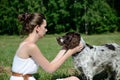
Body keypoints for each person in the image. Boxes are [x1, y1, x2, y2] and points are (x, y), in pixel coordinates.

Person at [10, 13, 83, 80]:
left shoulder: (26, 44)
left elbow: (49, 65)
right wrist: (71, 52)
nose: (46, 30)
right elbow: (50, 69)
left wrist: (64, 48)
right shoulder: (31, 46)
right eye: (45, 27)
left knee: (73, 79)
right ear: (37, 28)